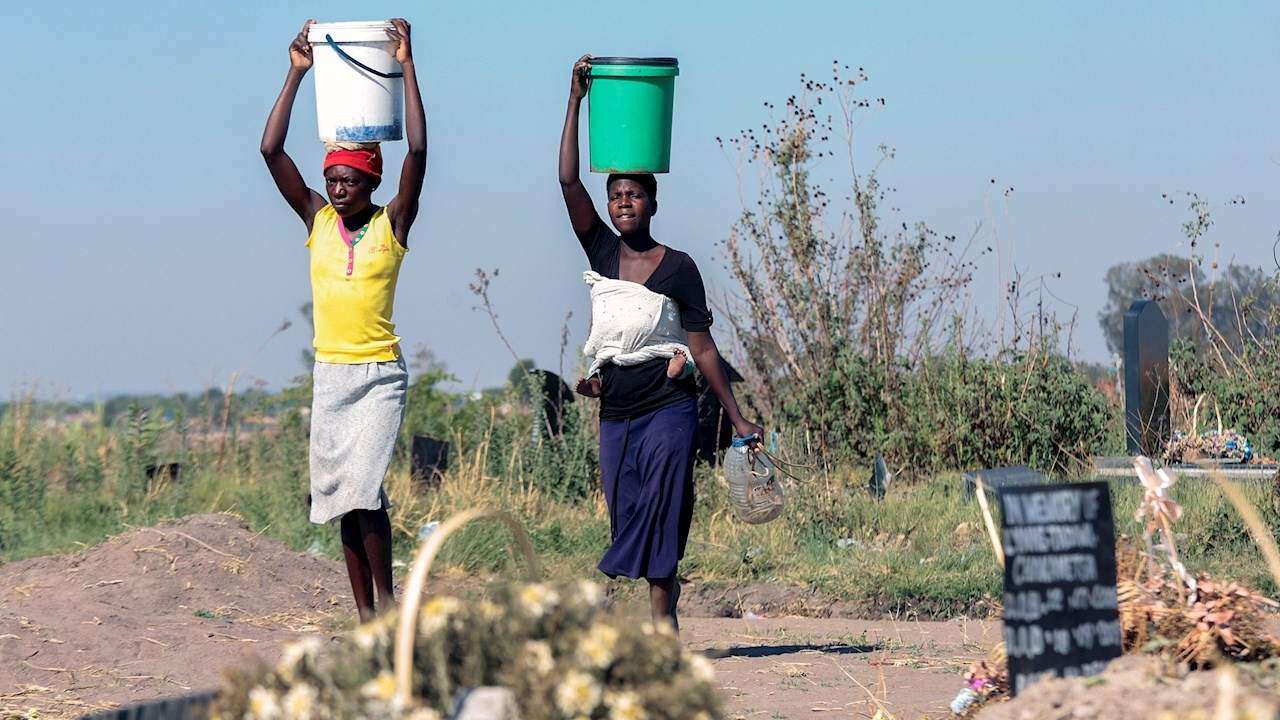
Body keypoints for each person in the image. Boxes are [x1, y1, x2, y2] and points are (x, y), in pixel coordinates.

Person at [559, 54, 764, 631]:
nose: (625, 202)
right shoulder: (601, 254)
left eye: (636, 195)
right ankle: (657, 607)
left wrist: (738, 417)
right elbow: (568, 181)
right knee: (626, 513)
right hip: (617, 411)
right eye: (617, 195)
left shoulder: (677, 268)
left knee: (665, 500)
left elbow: (700, 348)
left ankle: (662, 617)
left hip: (669, 409)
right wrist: (574, 100)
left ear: (654, 202)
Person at [260, 19, 426, 622]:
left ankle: (386, 602)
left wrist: (407, 67)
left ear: (370, 182)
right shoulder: (316, 222)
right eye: (330, 178)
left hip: (379, 375)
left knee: (363, 490)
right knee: (343, 502)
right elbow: (270, 151)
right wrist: (297, 72)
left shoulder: (392, 225)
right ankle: (367, 616)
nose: (335, 188)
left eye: (347, 179)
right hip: (331, 376)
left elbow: (418, 153)